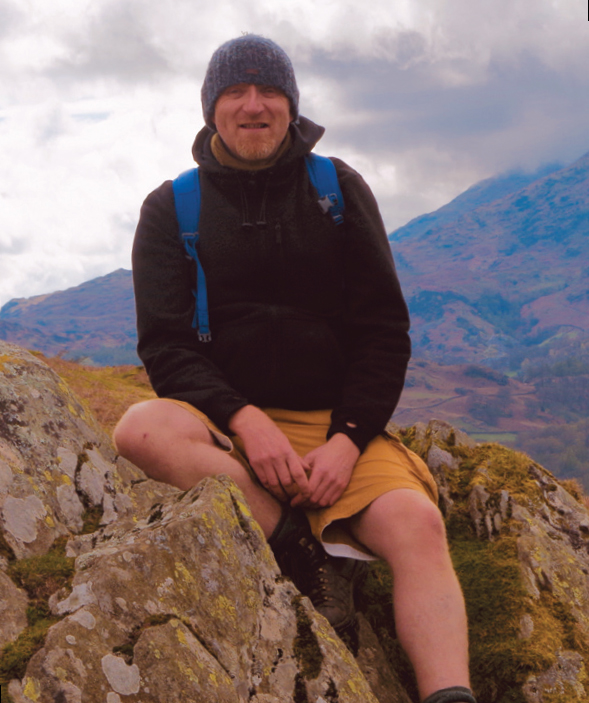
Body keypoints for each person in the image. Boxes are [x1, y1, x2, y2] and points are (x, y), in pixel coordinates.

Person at [113, 35, 476, 703]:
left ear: (291, 105)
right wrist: (243, 419)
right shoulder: (171, 209)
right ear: (211, 108)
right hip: (226, 426)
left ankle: (448, 694)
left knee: (417, 526)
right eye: (235, 92)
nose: (253, 105)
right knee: (139, 428)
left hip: (332, 427)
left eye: (269, 91)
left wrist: (348, 439)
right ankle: (302, 552)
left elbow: (383, 333)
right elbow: (166, 348)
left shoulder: (337, 190)